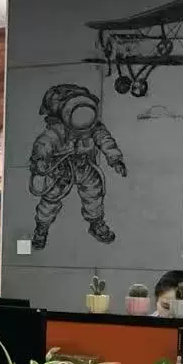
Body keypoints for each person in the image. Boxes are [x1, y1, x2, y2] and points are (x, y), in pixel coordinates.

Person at [28, 83, 127, 249]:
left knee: (94, 192)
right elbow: (43, 144)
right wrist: (40, 161)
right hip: (60, 170)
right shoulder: (57, 130)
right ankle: (41, 229)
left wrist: (115, 158)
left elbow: (104, 139)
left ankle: (96, 223)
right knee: (50, 199)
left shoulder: (92, 125)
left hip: (83, 166)